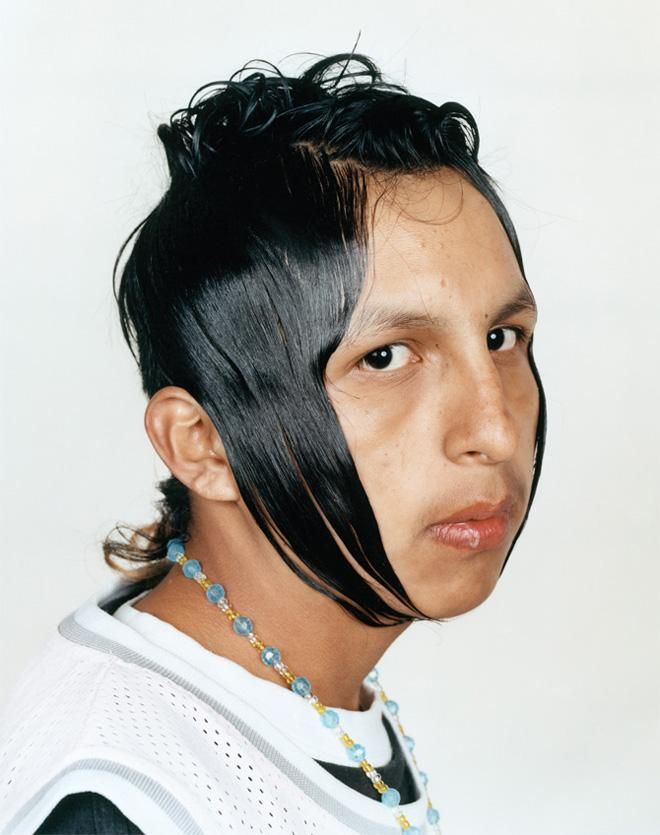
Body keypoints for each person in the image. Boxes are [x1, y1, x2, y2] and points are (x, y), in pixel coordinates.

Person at [0, 50, 546, 834]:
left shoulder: (283, 680)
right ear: (202, 443)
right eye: (385, 357)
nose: (494, 430)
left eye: (501, 336)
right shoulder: (121, 803)